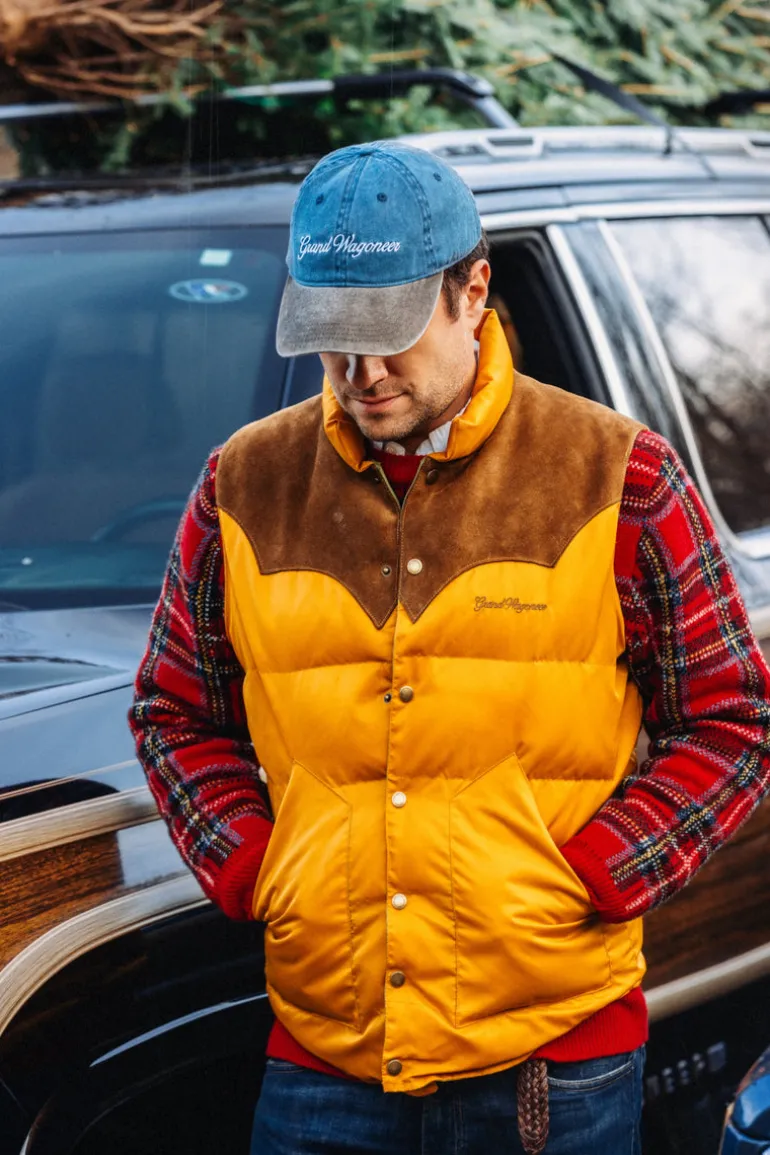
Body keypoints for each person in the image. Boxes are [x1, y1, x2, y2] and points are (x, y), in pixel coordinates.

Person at [129, 140, 770, 1155]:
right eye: (332, 335)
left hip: (550, 1065)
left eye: (388, 331)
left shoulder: (618, 478)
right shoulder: (239, 486)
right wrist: (253, 867)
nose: (361, 370)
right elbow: (173, 711)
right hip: (319, 1062)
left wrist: (597, 876)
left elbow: (734, 720)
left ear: (472, 292)